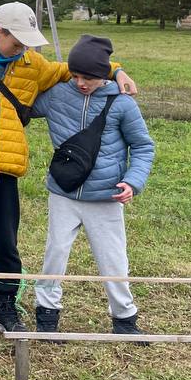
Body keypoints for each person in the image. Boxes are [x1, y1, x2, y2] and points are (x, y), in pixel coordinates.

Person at [0, 1, 136, 336]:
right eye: (17, 42)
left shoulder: (31, 64)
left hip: (4, 168)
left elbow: (73, 69)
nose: (23, 48)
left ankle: (6, 306)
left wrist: (116, 71)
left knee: (6, 244)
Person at [29, 34, 155, 335]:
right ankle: (46, 316)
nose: (81, 83)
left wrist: (133, 182)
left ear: (103, 74)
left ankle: (124, 319)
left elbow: (143, 146)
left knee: (113, 260)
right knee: (55, 255)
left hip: (105, 197)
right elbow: (22, 105)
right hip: (63, 192)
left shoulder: (122, 104)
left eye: (88, 77)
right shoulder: (57, 95)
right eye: (75, 75)